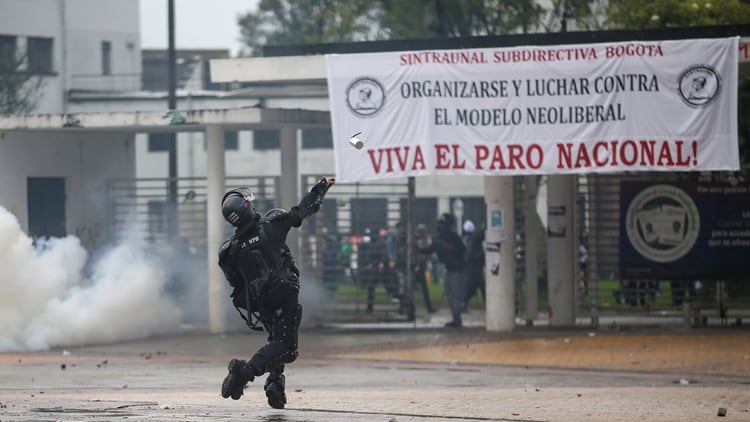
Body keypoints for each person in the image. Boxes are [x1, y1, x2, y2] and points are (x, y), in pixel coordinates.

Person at [217, 176, 335, 409]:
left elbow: (235, 283)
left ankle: (275, 383)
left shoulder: (230, 250)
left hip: (262, 302)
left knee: (277, 339)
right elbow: (303, 210)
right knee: (287, 348)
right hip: (285, 292)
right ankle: (244, 373)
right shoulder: (271, 225)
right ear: (247, 208)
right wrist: (323, 186)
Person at [420, 213, 466, 328]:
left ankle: (457, 320)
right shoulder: (439, 238)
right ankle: (456, 318)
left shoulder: (454, 237)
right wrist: (417, 248)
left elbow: (462, 250)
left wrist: (450, 247)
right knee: (449, 294)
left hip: (456, 270)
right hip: (449, 270)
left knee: (455, 295)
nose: (439, 225)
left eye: (441, 223)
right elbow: (429, 250)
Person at [462, 220, 486, 311]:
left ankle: (463, 303)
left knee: (472, 286)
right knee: (476, 286)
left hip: (470, 267)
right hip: (474, 267)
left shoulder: (465, 240)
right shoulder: (474, 240)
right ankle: (463, 303)